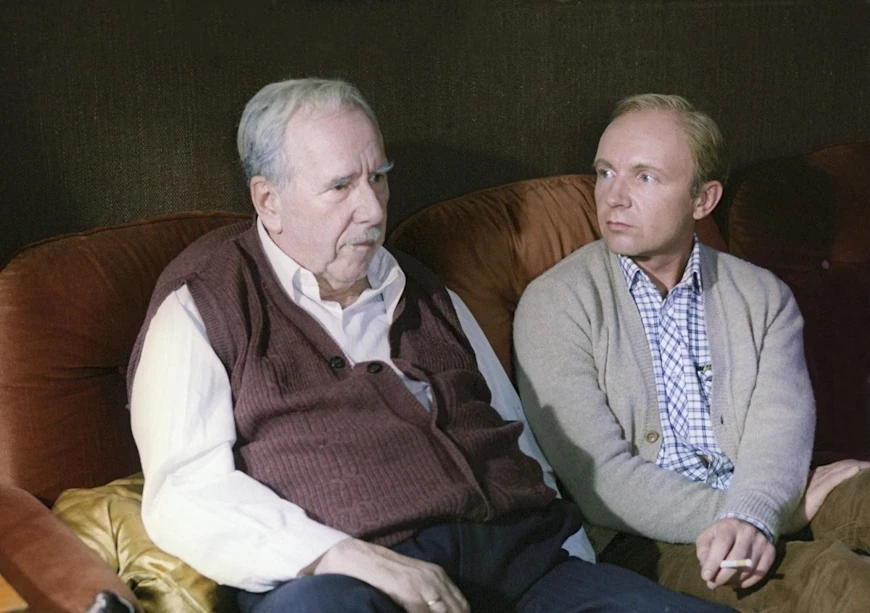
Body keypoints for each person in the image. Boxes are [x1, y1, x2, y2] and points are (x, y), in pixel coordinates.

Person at [128, 78, 733, 613]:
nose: (372, 208)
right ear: (269, 200)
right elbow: (184, 491)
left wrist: (573, 553)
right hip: (348, 581)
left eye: (378, 177)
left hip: (519, 566)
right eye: (340, 187)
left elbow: (515, 433)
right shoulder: (204, 302)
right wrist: (339, 555)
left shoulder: (424, 288)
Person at [513, 93, 870, 612]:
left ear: (703, 200)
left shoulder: (763, 296)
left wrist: (756, 511)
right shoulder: (555, 303)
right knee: (840, 585)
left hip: (764, 493)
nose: (613, 197)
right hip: (646, 539)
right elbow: (601, 482)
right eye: (605, 172)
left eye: (645, 177)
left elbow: (779, 431)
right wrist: (766, 516)